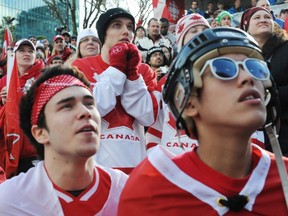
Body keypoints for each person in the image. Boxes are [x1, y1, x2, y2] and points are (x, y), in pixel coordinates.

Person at [118, 27, 288, 215]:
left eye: (256, 68)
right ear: (188, 102)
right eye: (224, 69)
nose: (248, 78)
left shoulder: (285, 177)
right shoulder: (148, 191)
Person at [0, 65, 128, 215]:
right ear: (40, 133)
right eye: (67, 106)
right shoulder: (9, 201)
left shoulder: (126, 191)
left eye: (89, 104)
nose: (85, 112)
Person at [72, 8, 159, 174]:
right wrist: (117, 68)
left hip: (135, 167)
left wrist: (132, 74)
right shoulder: (80, 67)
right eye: (117, 25)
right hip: (95, 169)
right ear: (104, 34)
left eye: (130, 27)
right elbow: (90, 111)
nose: (126, 31)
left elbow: (148, 117)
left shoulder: (144, 70)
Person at [145, 14, 210, 155]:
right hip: (172, 165)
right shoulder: (165, 83)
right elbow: (155, 128)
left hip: (212, 165)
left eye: (205, 30)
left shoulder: (224, 77)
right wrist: (157, 163)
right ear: (181, 41)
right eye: (193, 31)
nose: (200, 34)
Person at [240, 7, 288, 156]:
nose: (263, 20)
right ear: (245, 26)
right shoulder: (238, 56)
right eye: (257, 17)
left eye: (267, 17)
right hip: (252, 134)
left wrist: (268, 94)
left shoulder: (286, 49)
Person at [0, 39, 45, 178]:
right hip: (11, 147)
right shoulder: (3, 81)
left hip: (35, 147)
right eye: (22, 51)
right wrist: (3, 102)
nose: (27, 54)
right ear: (13, 55)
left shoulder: (44, 77)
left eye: (31, 51)